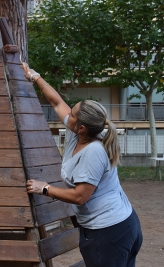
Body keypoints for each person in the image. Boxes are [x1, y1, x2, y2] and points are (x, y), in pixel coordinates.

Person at [22, 62, 143, 267]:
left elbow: (80, 196)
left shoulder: (93, 151)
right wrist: (35, 76)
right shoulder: (78, 133)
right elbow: (57, 103)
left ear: (82, 128)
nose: (69, 114)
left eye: (74, 114)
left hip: (109, 232)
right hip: (117, 227)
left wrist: (43, 188)